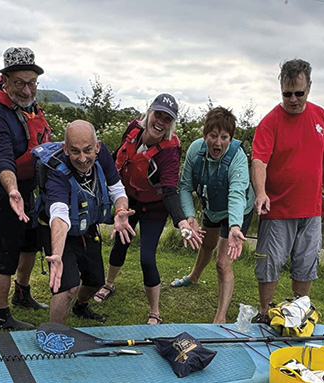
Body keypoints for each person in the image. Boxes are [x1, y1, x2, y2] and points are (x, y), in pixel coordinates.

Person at [93, 94, 201, 325]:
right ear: (148, 113)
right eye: (158, 114)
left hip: (155, 207)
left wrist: (181, 221)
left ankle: (155, 311)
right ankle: (108, 284)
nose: (160, 122)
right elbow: (117, 160)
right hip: (129, 201)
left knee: (147, 258)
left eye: (167, 119)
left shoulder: (170, 151)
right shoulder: (133, 128)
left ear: (172, 124)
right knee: (120, 243)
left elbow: (170, 189)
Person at [0, 47, 53, 331]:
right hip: (1, 191)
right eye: (20, 83)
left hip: (26, 188)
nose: (27, 89)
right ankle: (2, 314)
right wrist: (12, 190)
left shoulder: (27, 105)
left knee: (30, 242)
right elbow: (4, 158)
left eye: (32, 83)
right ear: (5, 80)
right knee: (4, 254)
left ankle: (22, 292)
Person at [251, 58, 324, 321]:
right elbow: (259, 160)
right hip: (277, 207)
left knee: (306, 262)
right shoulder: (270, 122)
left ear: (309, 87)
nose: (293, 99)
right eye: (287, 94)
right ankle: (265, 312)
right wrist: (261, 193)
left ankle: (297, 312)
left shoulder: (321, 116)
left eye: (298, 93)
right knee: (269, 262)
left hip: (311, 209)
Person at [44, 120, 135, 324]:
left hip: (87, 225)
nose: (83, 158)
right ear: (65, 148)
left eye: (87, 150)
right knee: (67, 287)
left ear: (97, 146)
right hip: (60, 231)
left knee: (95, 281)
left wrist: (121, 209)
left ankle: (81, 306)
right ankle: (52, 333)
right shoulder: (55, 168)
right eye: (75, 151)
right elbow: (58, 213)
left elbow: (117, 188)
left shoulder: (102, 155)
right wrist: (57, 254)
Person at [172, 107, 255, 323]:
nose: (218, 143)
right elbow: (185, 186)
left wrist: (235, 226)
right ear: (205, 135)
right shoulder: (194, 151)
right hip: (212, 206)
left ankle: (220, 316)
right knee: (206, 244)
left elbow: (237, 194)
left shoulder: (237, 157)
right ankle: (194, 277)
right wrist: (189, 216)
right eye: (213, 136)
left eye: (224, 137)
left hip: (237, 212)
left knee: (222, 263)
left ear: (231, 138)